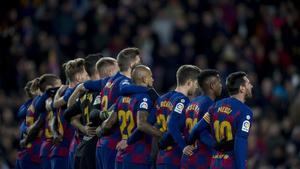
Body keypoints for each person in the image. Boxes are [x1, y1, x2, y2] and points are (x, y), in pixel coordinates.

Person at [187, 71, 253, 169]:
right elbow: (240, 143)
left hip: (214, 164)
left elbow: (196, 130)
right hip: (231, 164)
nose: (251, 86)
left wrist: (191, 143)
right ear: (242, 88)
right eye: (248, 83)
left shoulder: (214, 107)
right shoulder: (245, 112)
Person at [101, 65, 162, 169]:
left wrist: (101, 126)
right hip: (138, 155)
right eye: (150, 76)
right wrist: (162, 134)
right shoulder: (145, 98)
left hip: (121, 155)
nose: (153, 79)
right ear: (144, 79)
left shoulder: (121, 98)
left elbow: (108, 124)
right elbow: (142, 124)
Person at [65, 56, 119, 169]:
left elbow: (67, 113)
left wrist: (83, 128)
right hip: (95, 146)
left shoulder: (85, 92)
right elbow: (96, 115)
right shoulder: (102, 91)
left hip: (81, 146)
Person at [95, 47, 141, 169]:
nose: (141, 66)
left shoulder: (109, 81)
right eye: (138, 62)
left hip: (103, 142)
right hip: (115, 142)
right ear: (132, 64)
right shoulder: (125, 82)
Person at [156, 65, 201, 169]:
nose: (197, 87)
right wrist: (183, 146)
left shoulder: (161, 99)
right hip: (174, 156)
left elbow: (150, 123)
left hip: (161, 157)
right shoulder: (182, 100)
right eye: (196, 84)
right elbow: (172, 124)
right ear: (189, 82)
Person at [50, 58, 89, 169]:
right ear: (78, 77)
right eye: (86, 74)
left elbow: (54, 104)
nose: (88, 77)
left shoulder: (63, 91)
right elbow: (56, 104)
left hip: (62, 147)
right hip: (66, 148)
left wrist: (57, 93)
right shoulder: (74, 92)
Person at [181, 69, 222, 169]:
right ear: (212, 85)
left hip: (187, 158)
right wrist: (219, 147)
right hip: (202, 159)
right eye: (219, 82)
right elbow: (201, 133)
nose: (221, 85)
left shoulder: (191, 103)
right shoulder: (209, 104)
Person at [19, 74, 62, 169]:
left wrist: (24, 132)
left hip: (36, 149)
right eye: (59, 85)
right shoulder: (42, 102)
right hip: (38, 150)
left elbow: (21, 115)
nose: (61, 87)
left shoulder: (32, 104)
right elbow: (37, 123)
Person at [15, 79, 39, 169]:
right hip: (31, 153)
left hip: (26, 152)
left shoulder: (30, 105)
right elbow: (20, 113)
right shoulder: (31, 105)